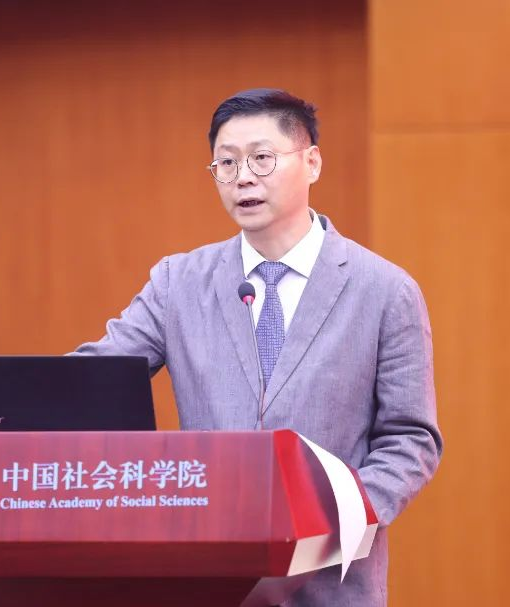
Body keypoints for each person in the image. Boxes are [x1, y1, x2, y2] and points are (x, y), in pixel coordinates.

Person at [75, 88, 442, 606]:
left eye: (261, 158)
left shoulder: (384, 290)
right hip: (209, 581)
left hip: (330, 582)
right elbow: (94, 380)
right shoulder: (179, 283)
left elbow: (411, 439)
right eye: (226, 163)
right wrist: (20, 401)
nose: (243, 177)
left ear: (311, 162)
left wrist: (335, 518)